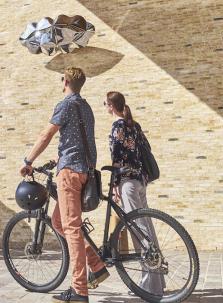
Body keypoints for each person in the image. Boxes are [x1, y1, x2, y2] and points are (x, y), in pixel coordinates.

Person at [20, 68, 109, 303]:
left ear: (65, 82)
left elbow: (46, 135)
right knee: (60, 223)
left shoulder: (65, 104)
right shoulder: (86, 107)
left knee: (72, 229)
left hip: (69, 173)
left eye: (62, 79)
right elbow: (81, 139)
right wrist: (61, 155)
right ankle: (96, 265)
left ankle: (79, 290)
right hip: (85, 171)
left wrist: (29, 161)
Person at [104, 91, 165, 296]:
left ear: (111, 106)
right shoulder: (134, 125)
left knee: (138, 231)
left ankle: (148, 286)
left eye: (105, 103)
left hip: (127, 183)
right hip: (140, 181)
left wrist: (115, 186)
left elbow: (116, 159)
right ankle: (157, 283)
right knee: (147, 227)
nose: (104, 107)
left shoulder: (117, 126)